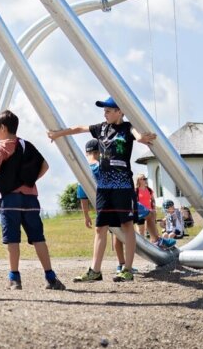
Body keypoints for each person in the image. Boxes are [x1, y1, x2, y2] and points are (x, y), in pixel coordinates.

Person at [49, 95, 156, 283]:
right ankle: (95, 270)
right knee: (100, 228)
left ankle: (127, 269)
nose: (104, 114)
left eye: (108, 110)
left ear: (119, 111)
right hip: (104, 187)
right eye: (104, 111)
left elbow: (136, 135)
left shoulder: (126, 127)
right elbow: (79, 128)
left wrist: (141, 138)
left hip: (122, 186)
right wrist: (58, 134)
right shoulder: (101, 128)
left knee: (126, 226)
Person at [0, 110, 66, 291]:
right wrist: (30, 181)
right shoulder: (27, 145)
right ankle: (50, 277)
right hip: (30, 198)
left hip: (10, 199)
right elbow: (45, 165)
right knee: (38, 238)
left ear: (3, 128)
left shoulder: (1, 145)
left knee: (12, 240)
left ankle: (15, 279)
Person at [77, 139, 130, 269]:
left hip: (100, 208)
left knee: (112, 233)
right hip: (115, 203)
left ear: (86, 152)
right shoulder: (102, 166)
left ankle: (119, 264)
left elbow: (83, 197)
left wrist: (86, 216)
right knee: (125, 229)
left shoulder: (82, 171)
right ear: (100, 151)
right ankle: (156, 239)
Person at [134, 174, 161, 244]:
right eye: (142, 179)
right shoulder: (136, 190)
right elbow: (134, 202)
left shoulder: (149, 190)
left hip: (150, 212)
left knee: (153, 229)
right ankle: (142, 245)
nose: (144, 180)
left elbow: (153, 200)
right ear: (138, 181)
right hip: (140, 213)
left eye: (145, 178)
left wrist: (154, 209)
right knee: (141, 231)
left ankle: (154, 244)